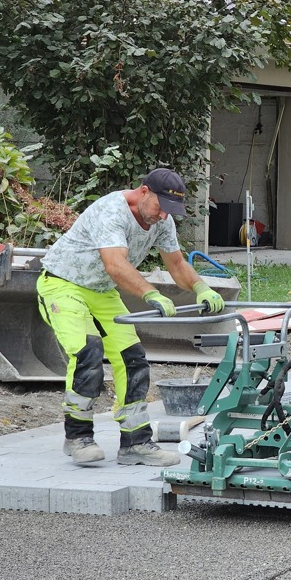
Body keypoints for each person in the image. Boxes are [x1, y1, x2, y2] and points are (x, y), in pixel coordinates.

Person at [36, 168, 226, 466]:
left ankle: (135, 443)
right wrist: (151, 293)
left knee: (132, 358)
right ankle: (77, 436)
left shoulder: (162, 220)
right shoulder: (112, 211)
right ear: (144, 191)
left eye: (170, 210)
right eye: (160, 207)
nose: (163, 215)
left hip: (101, 291)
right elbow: (115, 264)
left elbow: (177, 264)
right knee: (87, 352)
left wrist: (201, 287)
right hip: (63, 285)